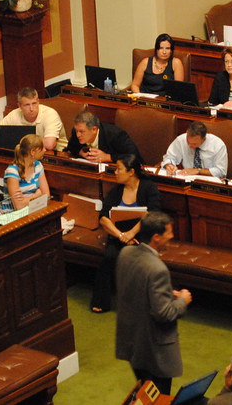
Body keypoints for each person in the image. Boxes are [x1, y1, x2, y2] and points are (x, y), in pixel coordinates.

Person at [115, 211, 192, 395]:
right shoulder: (158, 269)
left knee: (144, 393)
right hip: (154, 350)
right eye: (169, 233)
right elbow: (163, 314)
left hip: (133, 343)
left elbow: (134, 288)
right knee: (158, 398)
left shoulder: (126, 253)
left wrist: (165, 293)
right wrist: (182, 301)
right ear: (156, 237)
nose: (172, 237)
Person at [91, 154, 162, 313]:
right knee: (109, 257)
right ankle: (101, 301)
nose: (115, 172)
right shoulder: (116, 191)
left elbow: (152, 214)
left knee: (137, 257)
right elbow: (103, 217)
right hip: (119, 234)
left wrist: (131, 233)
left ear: (131, 172)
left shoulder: (148, 188)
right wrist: (121, 235)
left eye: (119, 169)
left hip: (142, 234)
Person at [0, 87, 67, 151]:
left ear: (38, 101)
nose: (31, 109)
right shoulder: (14, 114)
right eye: (27, 105)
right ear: (20, 106)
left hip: (57, 155)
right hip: (27, 154)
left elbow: (49, 144)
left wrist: (15, 140)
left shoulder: (50, 114)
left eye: (34, 103)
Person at [66, 111, 142, 164]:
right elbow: (71, 146)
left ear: (94, 129)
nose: (78, 135)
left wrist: (108, 157)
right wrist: (80, 152)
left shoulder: (115, 135)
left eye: (82, 131)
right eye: (76, 131)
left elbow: (134, 156)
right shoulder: (77, 131)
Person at [161, 121, 228, 179]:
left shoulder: (218, 145)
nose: (190, 146)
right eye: (188, 142)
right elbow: (170, 156)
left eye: (194, 144)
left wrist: (198, 171)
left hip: (209, 183)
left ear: (204, 139)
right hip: (187, 180)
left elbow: (221, 171)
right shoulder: (181, 140)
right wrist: (169, 165)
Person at [2, 134, 51, 211]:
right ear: (33, 152)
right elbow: (19, 206)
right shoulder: (12, 172)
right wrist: (36, 195)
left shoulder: (38, 166)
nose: (45, 150)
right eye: (42, 148)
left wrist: (25, 200)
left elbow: (47, 196)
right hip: (13, 215)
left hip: (33, 210)